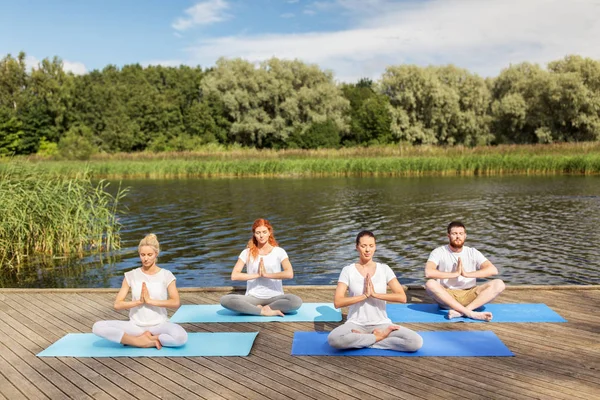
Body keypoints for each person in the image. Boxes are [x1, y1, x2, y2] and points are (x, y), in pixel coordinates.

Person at [327, 231, 423, 352]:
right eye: (363, 246)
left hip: (382, 325)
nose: (367, 250)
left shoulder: (384, 269)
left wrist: (375, 295)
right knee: (334, 339)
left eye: (371, 246)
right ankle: (375, 338)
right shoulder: (348, 270)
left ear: (375, 247)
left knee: (415, 342)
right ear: (357, 247)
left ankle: (367, 340)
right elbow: (338, 302)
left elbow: (402, 297)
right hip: (355, 324)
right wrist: (365, 295)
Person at [92, 234, 187, 349]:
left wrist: (150, 301)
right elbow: (117, 305)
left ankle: (152, 338)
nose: (145, 258)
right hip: (135, 327)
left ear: (156, 254)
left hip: (160, 325)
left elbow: (175, 302)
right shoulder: (131, 275)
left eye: (149, 255)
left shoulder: (166, 275)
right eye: (142, 255)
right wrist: (138, 302)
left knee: (181, 338)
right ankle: (140, 342)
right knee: (97, 327)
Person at [424, 221, 506, 321]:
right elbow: (429, 272)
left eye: (461, 233)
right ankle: (470, 314)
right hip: (447, 297)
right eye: (454, 234)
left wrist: (467, 274)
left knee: (499, 283)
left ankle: (464, 311)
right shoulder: (439, 252)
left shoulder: (472, 252)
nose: (458, 236)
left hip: (470, 294)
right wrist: (454, 274)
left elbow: (493, 270)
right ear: (448, 236)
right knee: (430, 284)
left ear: (465, 236)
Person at [220, 218, 302, 316]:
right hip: (253, 298)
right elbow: (234, 275)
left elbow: (289, 273)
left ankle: (265, 308)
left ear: (269, 232)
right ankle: (262, 312)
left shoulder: (279, 251)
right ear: (254, 234)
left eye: (264, 232)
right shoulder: (247, 252)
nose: (261, 235)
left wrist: (266, 275)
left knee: (296, 301)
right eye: (258, 232)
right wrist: (257, 275)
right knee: (225, 300)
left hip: (275, 297)